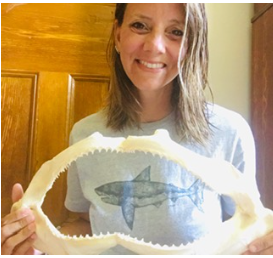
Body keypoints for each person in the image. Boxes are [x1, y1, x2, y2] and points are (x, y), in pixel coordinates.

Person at [1, 3, 273, 255]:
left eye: (176, 32)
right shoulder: (84, 134)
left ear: (192, 45)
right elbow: (86, 223)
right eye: (140, 26)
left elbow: (244, 230)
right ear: (118, 35)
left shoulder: (229, 131)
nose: (154, 46)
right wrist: (37, 241)